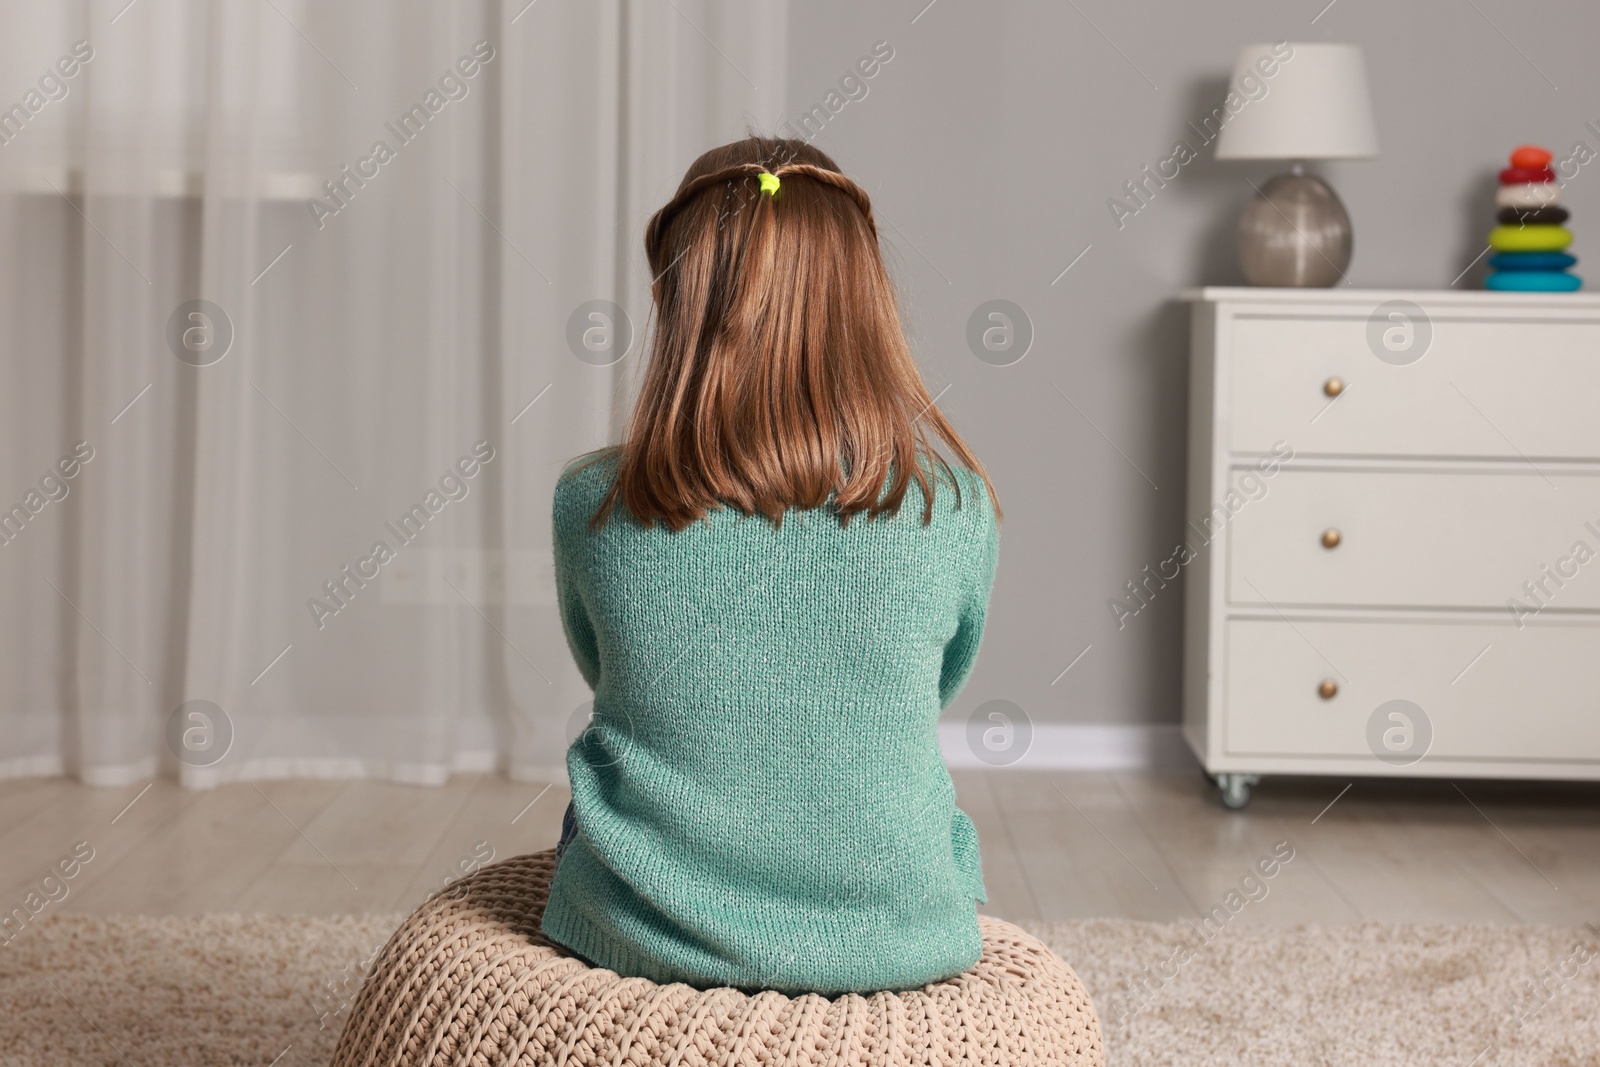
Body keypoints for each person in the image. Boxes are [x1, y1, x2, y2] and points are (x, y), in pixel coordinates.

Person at [540, 135, 1002, 996]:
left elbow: (612, 673)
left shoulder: (591, 503)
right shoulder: (957, 506)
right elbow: (929, 686)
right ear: (870, 303)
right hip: (900, 936)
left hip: (650, 938)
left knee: (596, 794)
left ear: (671, 304)